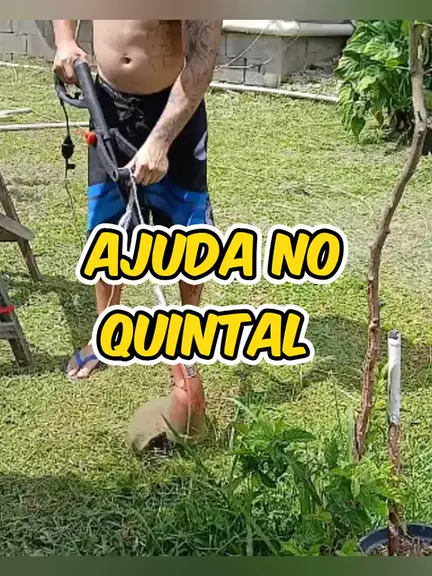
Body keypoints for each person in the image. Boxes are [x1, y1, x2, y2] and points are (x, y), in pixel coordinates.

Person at [52, 20, 221, 436]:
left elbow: (201, 61)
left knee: (186, 228)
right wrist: (65, 40)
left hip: (175, 108)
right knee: (107, 227)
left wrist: (160, 142)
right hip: (107, 102)